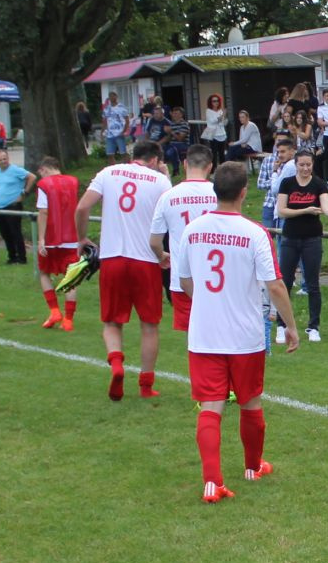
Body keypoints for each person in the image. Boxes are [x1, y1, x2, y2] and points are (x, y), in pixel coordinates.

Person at [176, 160, 300, 503]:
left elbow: (184, 280)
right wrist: (290, 326)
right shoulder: (254, 232)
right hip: (244, 336)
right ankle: (253, 466)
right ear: (244, 193)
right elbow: (275, 285)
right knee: (250, 401)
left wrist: (207, 303)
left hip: (204, 334)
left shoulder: (192, 230)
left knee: (210, 406)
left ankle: (212, 482)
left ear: (215, 190)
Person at [75, 142, 173, 401]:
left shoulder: (108, 172)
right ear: (155, 160)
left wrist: (82, 237)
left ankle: (117, 363)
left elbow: (82, 207)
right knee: (149, 325)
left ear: (134, 156)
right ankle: (146, 385)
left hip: (113, 258)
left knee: (111, 322)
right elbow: (171, 212)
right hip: (146, 260)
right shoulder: (160, 181)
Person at [272, 148, 328, 343]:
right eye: (301, 165)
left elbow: (326, 207)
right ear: (295, 165)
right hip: (290, 238)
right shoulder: (287, 183)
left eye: (308, 165)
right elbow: (282, 211)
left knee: (313, 284)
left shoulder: (318, 184)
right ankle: (282, 326)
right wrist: (305, 210)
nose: (305, 168)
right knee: (285, 282)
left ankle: (313, 327)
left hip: (312, 239)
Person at [150, 145, 223, 337]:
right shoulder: (219, 194)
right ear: (210, 166)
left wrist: (161, 256)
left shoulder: (168, 197)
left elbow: (154, 241)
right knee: (218, 334)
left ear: (184, 164)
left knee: (193, 337)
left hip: (182, 279)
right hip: (216, 277)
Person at [29, 156, 83, 330]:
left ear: (44, 169)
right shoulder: (73, 182)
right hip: (71, 237)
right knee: (70, 278)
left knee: (44, 272)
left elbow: (43, 211)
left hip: (52, 237)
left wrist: (41, 238)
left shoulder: (44, 185)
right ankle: (68, 319)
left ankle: (54, 311)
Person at [0, 147, 35, 265]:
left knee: (15, 232)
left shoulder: (15, 170)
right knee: (5, 233)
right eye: (0, 160)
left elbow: (32, 177)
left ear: (8, 158)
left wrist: (24, 193)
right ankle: (12, 256)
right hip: (0, 207)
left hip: (13, 205)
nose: (3, 161)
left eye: (5, 159)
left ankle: (22, 258)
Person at [255, 139, 295, 229]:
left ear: (291, 151)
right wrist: (276, 179)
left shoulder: (293, 164)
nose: (280, 155)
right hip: (270, 202)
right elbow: (260, 184)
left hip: (286, 205)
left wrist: (276, 177)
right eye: (278, 152)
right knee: (268, 233)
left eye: (283, 151)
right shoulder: (268, 160)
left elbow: (276, 188)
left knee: (282, 233)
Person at [201, 93, 229, 165]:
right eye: (214, 101)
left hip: (222, 134)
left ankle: (223, 168)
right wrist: (221, 117)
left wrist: (224, 119)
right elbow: (212, 121)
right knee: (214, 153)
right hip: (214, 134)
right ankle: (213, 169)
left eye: (217, 101)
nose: (216, 102)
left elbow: (222, 123)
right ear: (210, 102)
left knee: (222, 153)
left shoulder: (220, 111)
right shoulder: (208, 111)